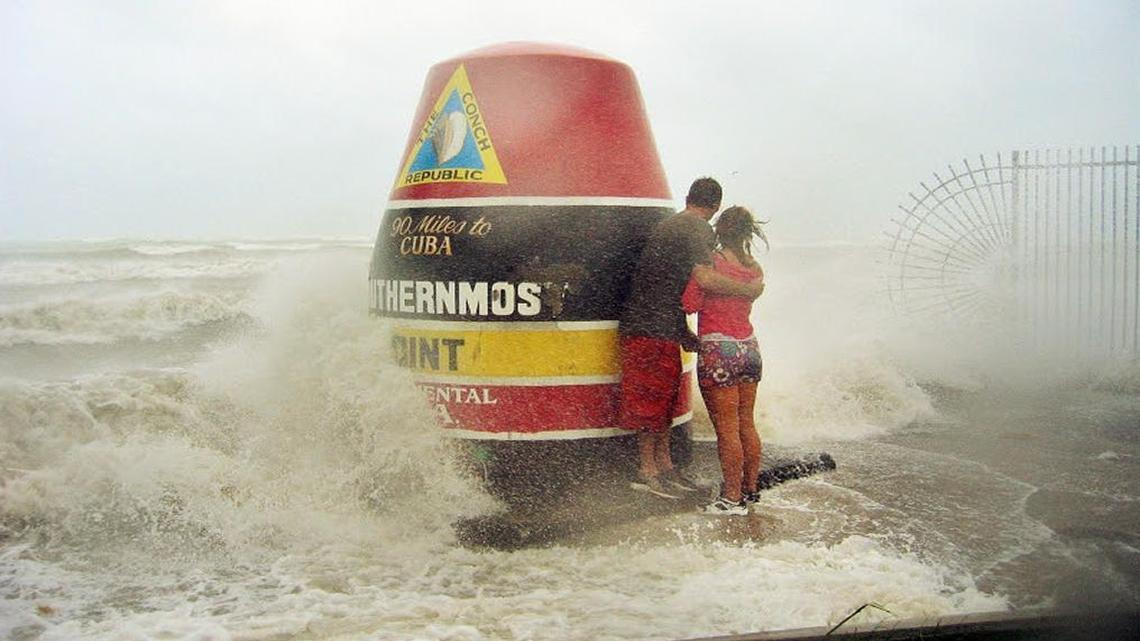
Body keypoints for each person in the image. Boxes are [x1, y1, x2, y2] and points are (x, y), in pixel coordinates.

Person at [619, 179, 765, 499]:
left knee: (662, 402)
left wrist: (683, 328)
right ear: (714, 207)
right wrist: (751, 290)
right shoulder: (699, 231)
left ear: (689, 198)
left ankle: (666, 467)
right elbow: (702, 277)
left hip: (658, 326)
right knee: (656, 403)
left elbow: (679, 292)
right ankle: (650, 470)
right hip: (654, 328)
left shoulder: (673, 226)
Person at [681, 205, 767, 515]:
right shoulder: (755, 269)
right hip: (749, 348)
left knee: (726, 428)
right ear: (748, 232)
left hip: (719, 349)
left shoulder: (712, 262)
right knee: (746, 422)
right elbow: (751, 292)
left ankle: (731, 500)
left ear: (720, 230)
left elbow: (689, 303)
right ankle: (750, 490)